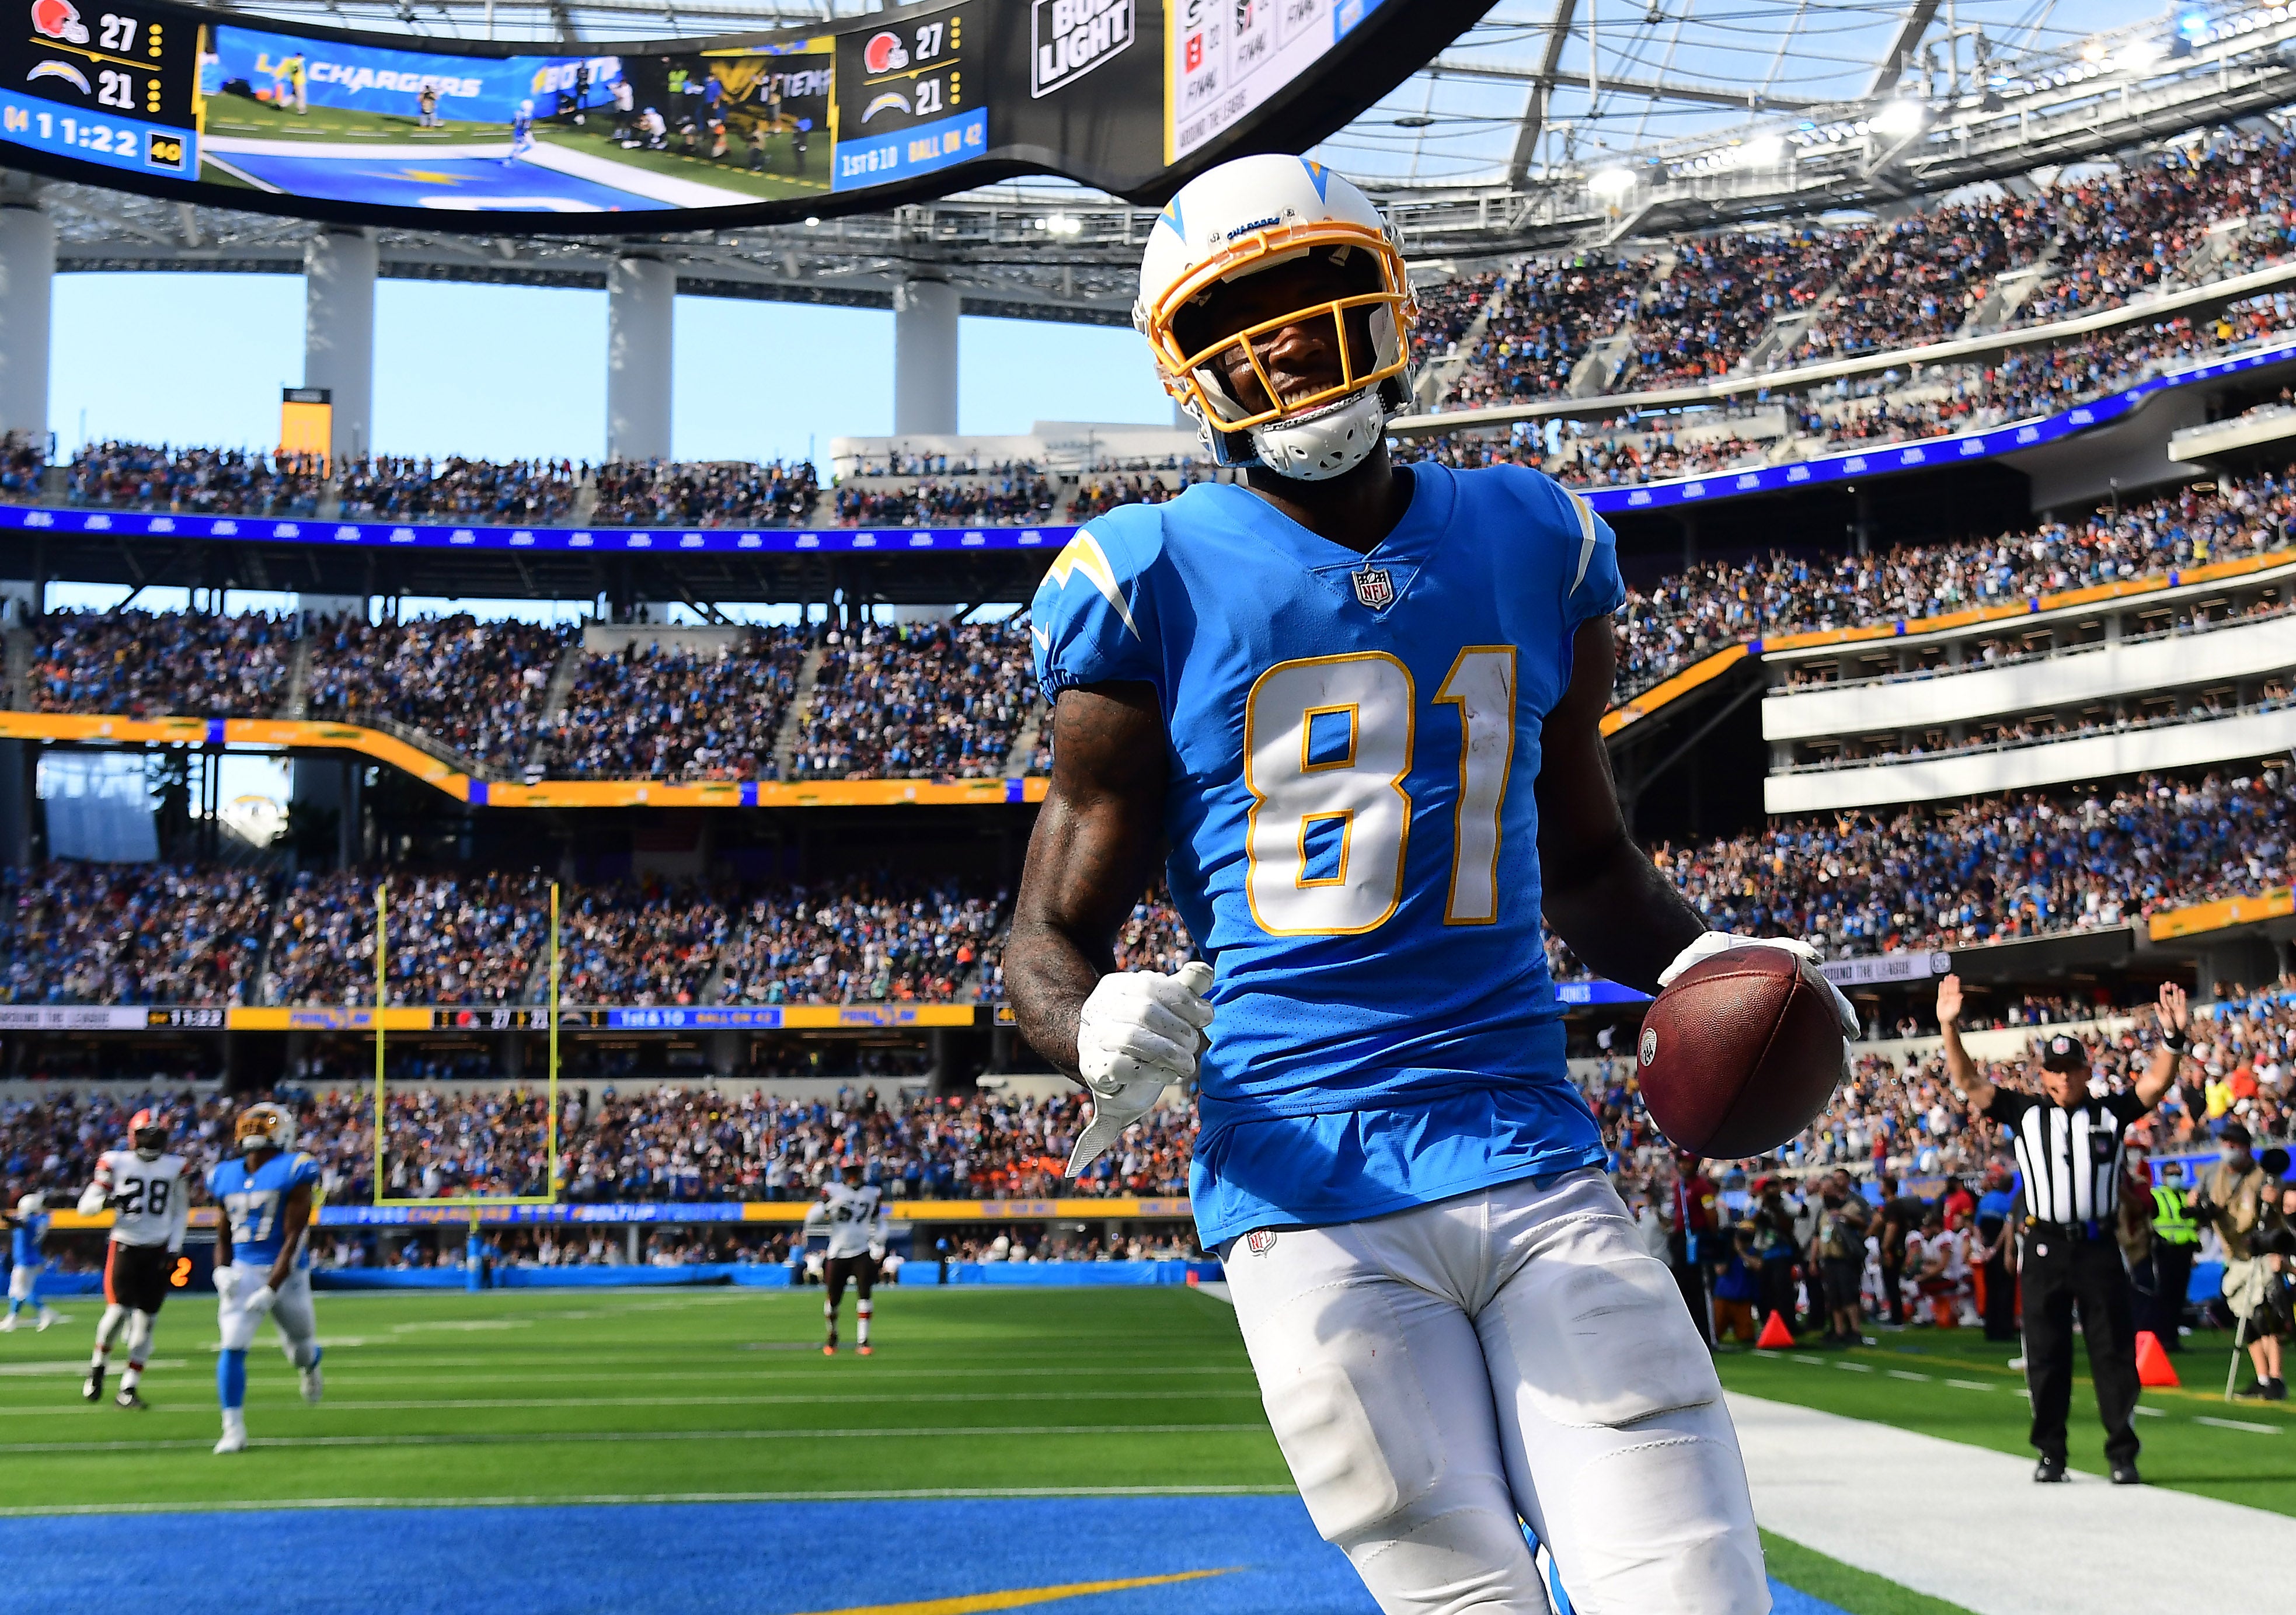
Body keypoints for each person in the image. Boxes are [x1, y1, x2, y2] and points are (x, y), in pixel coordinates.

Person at [1006, 152, 1856, 1614]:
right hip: (1301, 1178)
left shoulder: (1535, 536)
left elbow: (1583, 865)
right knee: (1457, 1599)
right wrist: (1084, 1024)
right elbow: (1045, 933)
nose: (1276, 336)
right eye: (1237, 312)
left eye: (1305, 288)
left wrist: (1717, 960)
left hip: (1525, 1143)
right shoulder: (1143, 576)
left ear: (1380, 296)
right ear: (1186, 364)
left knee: (1689, 1586)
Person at [1939, 974, 2190, 1484]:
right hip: (2045, 1244)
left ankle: (2122, 1453)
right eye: (2053, 1071)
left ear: (2084, 1071)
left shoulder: (2108, 1112)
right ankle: (2050, 1453)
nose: (2062, 1079)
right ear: (2043, 1074)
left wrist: (2172, 1041)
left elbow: (2155, 1085)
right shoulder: (2024, 1112)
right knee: (2046, 1352)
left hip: (2097, 1244)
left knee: (2113, 1352)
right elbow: (1968, 1082)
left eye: (2070, 1070)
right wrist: (1949, 1028)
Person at [207, 1102, 326, 1454]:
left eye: (263, 1126)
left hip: (286, 1273)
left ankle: (311, 1366)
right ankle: (233, 1429)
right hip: (243, 1271)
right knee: (232, 1343)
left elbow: (294, 1236)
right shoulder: (224, 1175)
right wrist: (221, 1270)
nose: (257, 1132)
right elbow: (223, 1235)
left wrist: (272, 1287)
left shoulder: (295, 1169)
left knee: (301, 1349)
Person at [78, 1108, 189, 1407]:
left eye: (157, 1136)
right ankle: (98, 1368)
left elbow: (180, 1212)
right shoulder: (116, 1161)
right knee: (117, 1314)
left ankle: (128, 1389)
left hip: (157, 1248)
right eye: (146, 1135)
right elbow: (84, 1207)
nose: (151, 1142)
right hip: (126, 1246)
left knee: (146, 1324)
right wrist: (109, 1200)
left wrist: (175, 1248)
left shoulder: (176, 1167)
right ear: (133, 1136)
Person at [2193, 1122, 2280, 1398]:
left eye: (2235, 1144)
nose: (2229, 1149)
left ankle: (2276, 1378)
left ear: (2246, 1148)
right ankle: (2262, 1376)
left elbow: (2273, 1210)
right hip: (2234, 1254)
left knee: (2263, 1315)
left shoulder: (2262, 1176)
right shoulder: (2212, 1174)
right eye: (2226, 1143)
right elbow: (2198, 1202)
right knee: (2245, 1318)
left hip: (2260, 1251)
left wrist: (2274, 1200)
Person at [806, 1158, 888, 1355]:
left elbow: (879, 1221)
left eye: (855, 1171)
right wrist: (830, 1206)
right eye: (849, 1171)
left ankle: (863, 1340)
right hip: (837, 1252)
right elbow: (811, 1218)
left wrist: (880, 1241)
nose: (852, 1176)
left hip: (861, 1250)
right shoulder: (832, 1191)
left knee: (865, 1294)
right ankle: (832, 1335)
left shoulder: (872, 1194)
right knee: (833, 1300)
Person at [1814, 1169, 1869, 1346]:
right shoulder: (1823, 1212)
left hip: (1845, 1257)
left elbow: (1865, 1222)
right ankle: (1839, 1331)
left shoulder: (1852, 1205)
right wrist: (1815, 1259)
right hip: (1829, 1258)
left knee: (1849, 1296)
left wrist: (1844, 1216)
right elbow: (1818, 1235)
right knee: (1834, 1297)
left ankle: (1855, 1330)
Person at [3, 1192, 61, 1332]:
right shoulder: (41, 1219)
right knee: (16, 1291)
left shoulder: (28, 1221)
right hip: (32, 1259)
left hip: (25, 1260)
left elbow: (17, 1223)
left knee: (22, 1292)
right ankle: (12, 1318)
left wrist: (5, 1217)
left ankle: (46, 1312)